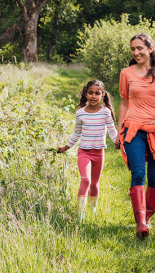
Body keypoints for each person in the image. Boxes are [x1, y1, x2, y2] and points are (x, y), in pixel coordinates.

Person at [115, 33, 155, 240]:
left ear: (150, 48)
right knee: (138, 173)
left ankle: (148, 216)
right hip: (133, 129)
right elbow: (124, 102)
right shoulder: (126, 73)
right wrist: (118, 131)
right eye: (132, 49)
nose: (136, 52)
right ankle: (140, 223)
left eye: (140, 48)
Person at [57, 80, 117, 223]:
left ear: (103, 95)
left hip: (99, 153)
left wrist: (117, 142)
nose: (93, 96)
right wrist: (66, 147)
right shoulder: (80, 113)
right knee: (85, 180)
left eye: (97, 93)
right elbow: (76, 133)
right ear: (85, 94)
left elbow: (112, 131)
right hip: (83, 152)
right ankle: (80, 217)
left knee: (95, 184)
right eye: (90, 93)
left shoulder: (105, 112)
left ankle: (93, 209)